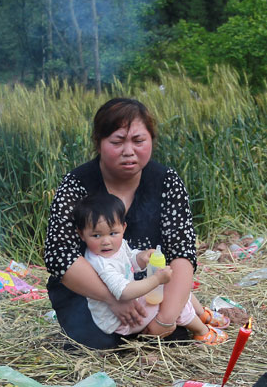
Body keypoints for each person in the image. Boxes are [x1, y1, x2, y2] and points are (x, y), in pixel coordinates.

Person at [44, 97, 229, 349]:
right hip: (89, 296)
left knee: (174, 336)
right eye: (117, 142)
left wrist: (164, 321)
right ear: (98, 143)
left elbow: (181, 253)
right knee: (101, 345)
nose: (129, 151)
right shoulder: (76, 184)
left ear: (151, 140)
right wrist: (113, 298)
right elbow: (60, 255)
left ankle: (188, 310)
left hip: (149, 290)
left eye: (138, 141)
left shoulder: (166, 181)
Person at [72, 193, 228, 344]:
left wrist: (141, 257)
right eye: (97, 236)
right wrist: (156, 279)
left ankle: (201, 313)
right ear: (82, 234)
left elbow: (129, 258)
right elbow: (124, 292)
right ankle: (201, 332)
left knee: (177, 285)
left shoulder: (116, 246)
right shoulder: (100, 262)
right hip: (121, 320)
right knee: (171, 298)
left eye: (113, 233)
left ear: (123, 227)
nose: (106, 241)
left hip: (129, 303)